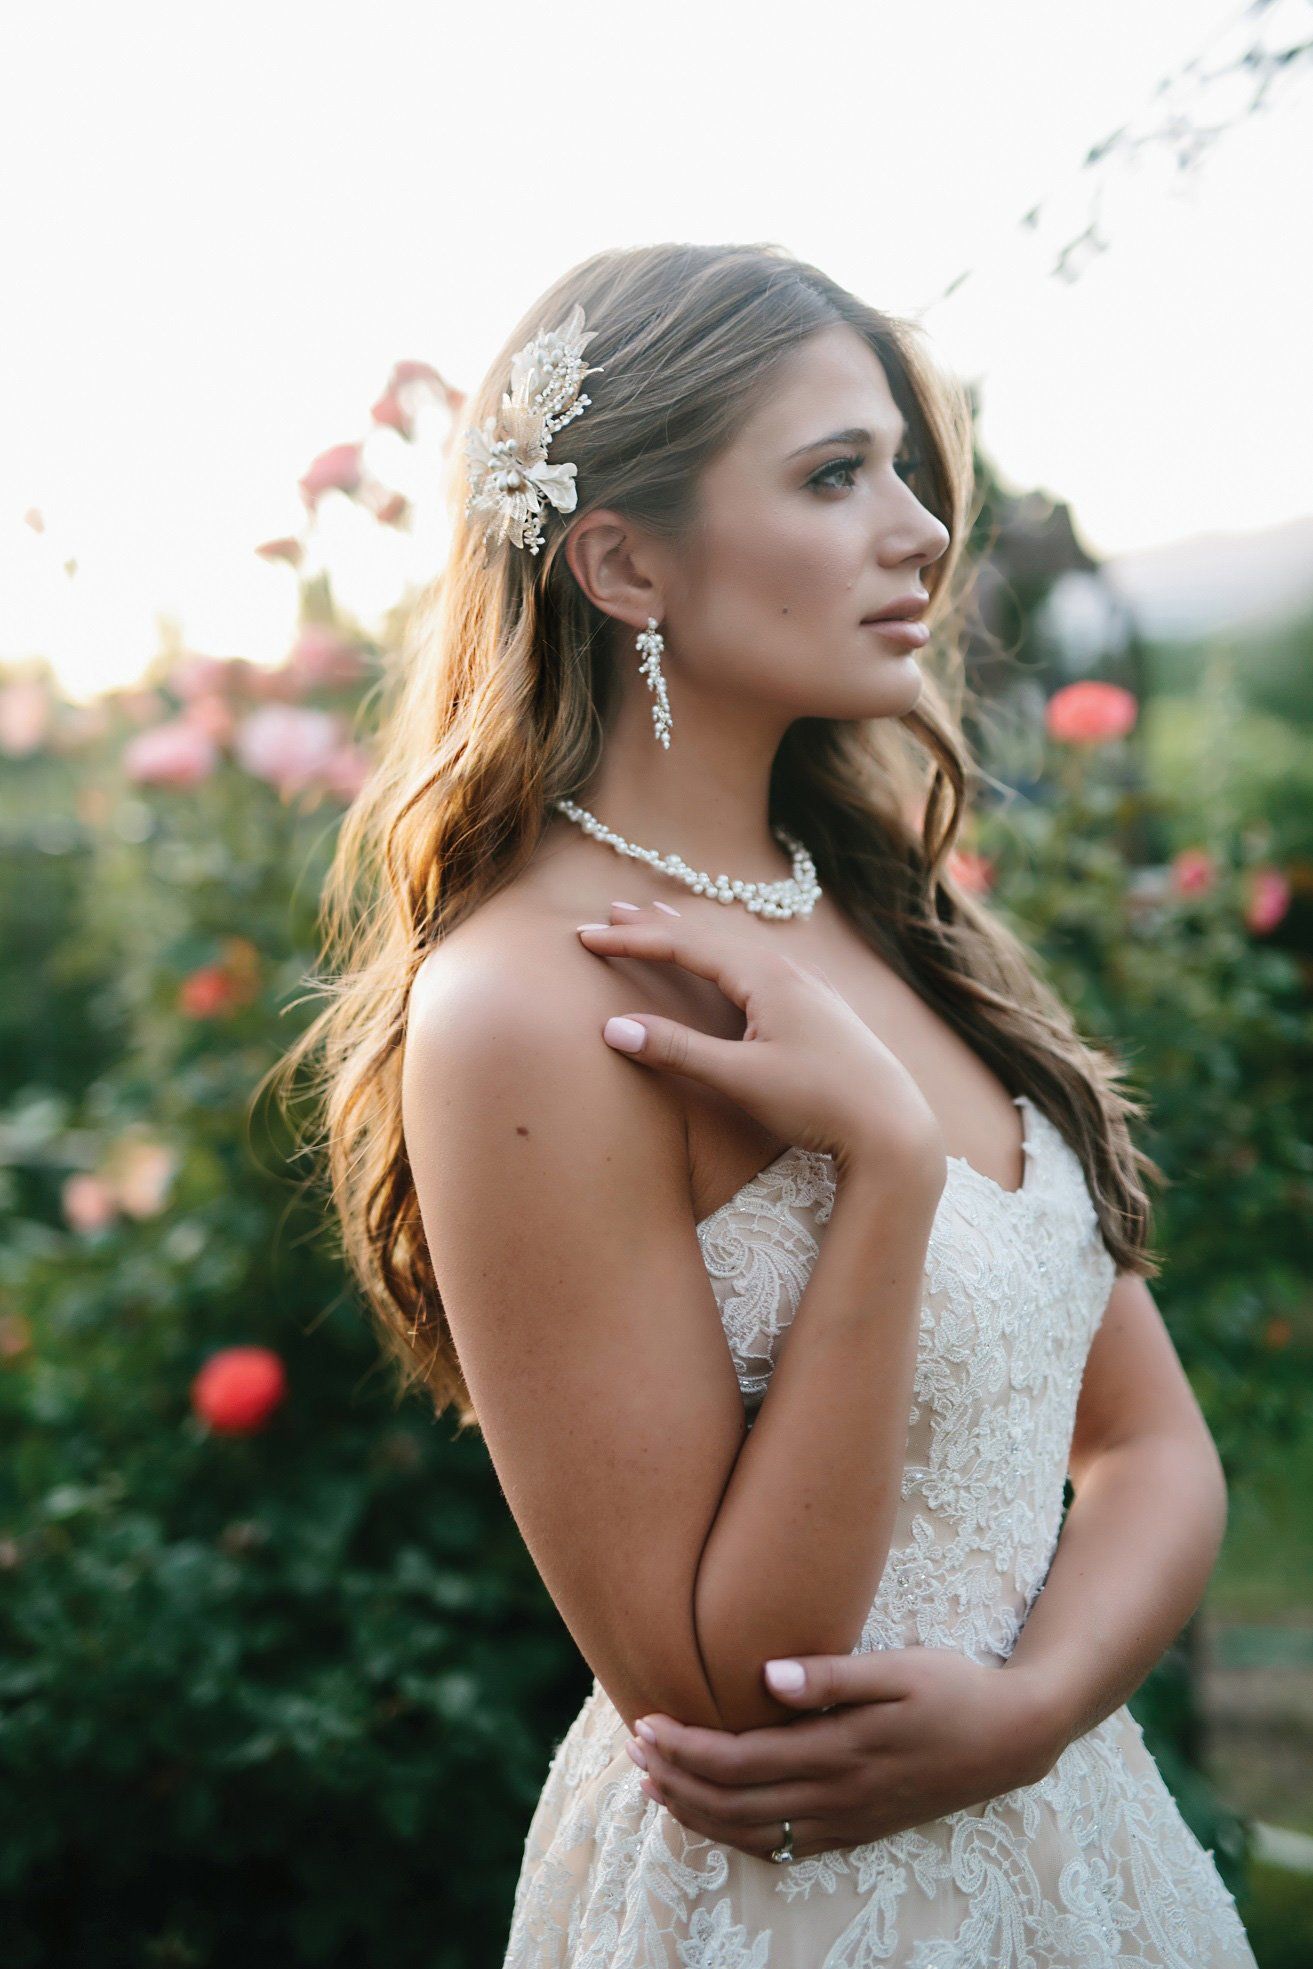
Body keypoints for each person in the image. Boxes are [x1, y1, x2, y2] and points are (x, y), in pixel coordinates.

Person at [284, 242, 1259, 1964]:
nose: (920, 529)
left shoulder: (902, 911)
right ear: (622, 561)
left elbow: (1150, 1444)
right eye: (833, 475)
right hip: (791, 1910)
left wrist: (1029, 1711)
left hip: (1087, 1865)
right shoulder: (521, 1002)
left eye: (900, 465)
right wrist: (877, 1166)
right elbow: (729, 1692)